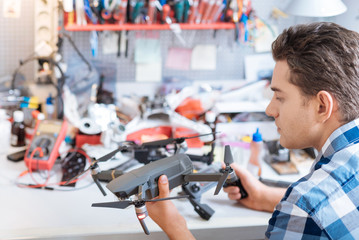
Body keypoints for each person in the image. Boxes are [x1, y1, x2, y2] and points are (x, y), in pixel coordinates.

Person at [146, 22, 359, 239]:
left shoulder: (305, 207)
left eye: (280, 97)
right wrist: (263, 196)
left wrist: (175, 227)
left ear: (322, 106)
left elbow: (310, 210)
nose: (270, 109)